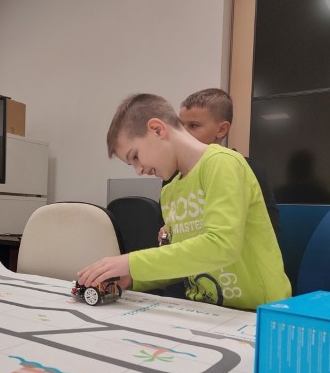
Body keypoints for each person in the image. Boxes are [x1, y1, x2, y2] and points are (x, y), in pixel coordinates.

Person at [77, 93, 291, 310]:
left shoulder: (222, 163)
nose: (139, 170)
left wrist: (130, 261)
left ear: (157, 130)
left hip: (258, 311)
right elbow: (186, 263)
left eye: (135, 157)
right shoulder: (170, 191)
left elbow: (222, 246)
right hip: (208, 309)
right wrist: (134, 277)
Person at [178, 88, 279, 233]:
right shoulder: (176, 175)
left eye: (193, 126)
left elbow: (269, 227)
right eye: (180, 126)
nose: (183, 134)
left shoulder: (248, 170)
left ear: (222, 130)